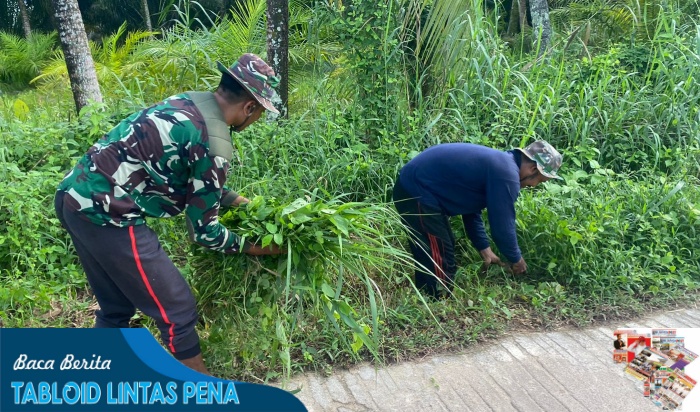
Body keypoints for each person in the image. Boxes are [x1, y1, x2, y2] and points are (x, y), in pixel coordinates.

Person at [54, 54, 284, 375]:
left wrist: (243, 203)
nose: (258, 117)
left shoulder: (189, 101)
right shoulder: (215, 143)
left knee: (116, 308)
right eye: (260, 111)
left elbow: (193, 178)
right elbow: (205, 233)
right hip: (109, 213)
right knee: (178, 310)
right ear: (249, 107)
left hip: (73, 195)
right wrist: (265, 247)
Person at [393, 140, 563, 297]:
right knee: (440, 253)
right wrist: (516, 259)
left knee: (435, 249)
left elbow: (470, 207)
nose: (533, 186)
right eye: (540, 181)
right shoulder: (506, 174)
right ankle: (436, 303)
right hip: (416, 191)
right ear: (533, 170)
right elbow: (502, 227)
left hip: (415, 188)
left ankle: (427, 298)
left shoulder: (501, 164)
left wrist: (484, 248)